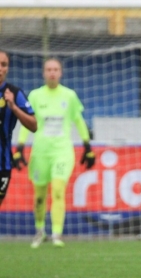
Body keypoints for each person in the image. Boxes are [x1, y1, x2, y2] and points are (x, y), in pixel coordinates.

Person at [13, 58, 95, 248]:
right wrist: (19, 147)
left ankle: (57, 234)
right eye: (49, 69)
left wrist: (87, 146)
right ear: (43, 73)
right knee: (40, 195)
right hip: (40, 152)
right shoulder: (35, 96)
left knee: (58, 190)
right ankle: (40, 231)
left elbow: (79, 120)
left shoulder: (69, 96)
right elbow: (28, 123)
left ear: (61, 73)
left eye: (55, 69)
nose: (52, 72)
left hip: (62, 151)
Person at [0, 49, 38, 207]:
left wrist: (14, 107)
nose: (0, 68)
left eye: (3, 64)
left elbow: (34, 125)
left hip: (2, 164)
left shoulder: (14, 93)